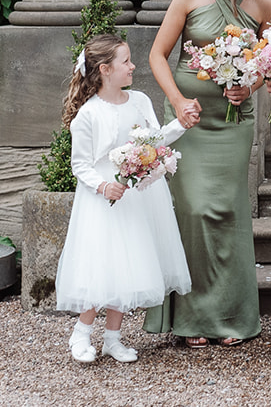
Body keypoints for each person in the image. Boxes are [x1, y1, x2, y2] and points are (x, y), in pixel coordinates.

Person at [142, 0, 271, 346]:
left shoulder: (263, 3)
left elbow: (269, 63)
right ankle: (194, 316)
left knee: (227, 211)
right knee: (195, 210)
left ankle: (231, 316)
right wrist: (178, 102)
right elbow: (157, 55)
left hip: (233, 122)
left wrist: (249, 85)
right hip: (191, 121)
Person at [56, 33, 199, 363]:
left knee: (127, 265)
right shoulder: (88, 115)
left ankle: (113, 338)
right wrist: (104, 187)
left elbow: (154, 138)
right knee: (101, 266)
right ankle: (81, 334)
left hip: (135, 197)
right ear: (105, 69)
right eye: (126, 61)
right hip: (102, 201)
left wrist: (180, 123)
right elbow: (80, 164)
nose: (133, 66)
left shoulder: (139, 101)